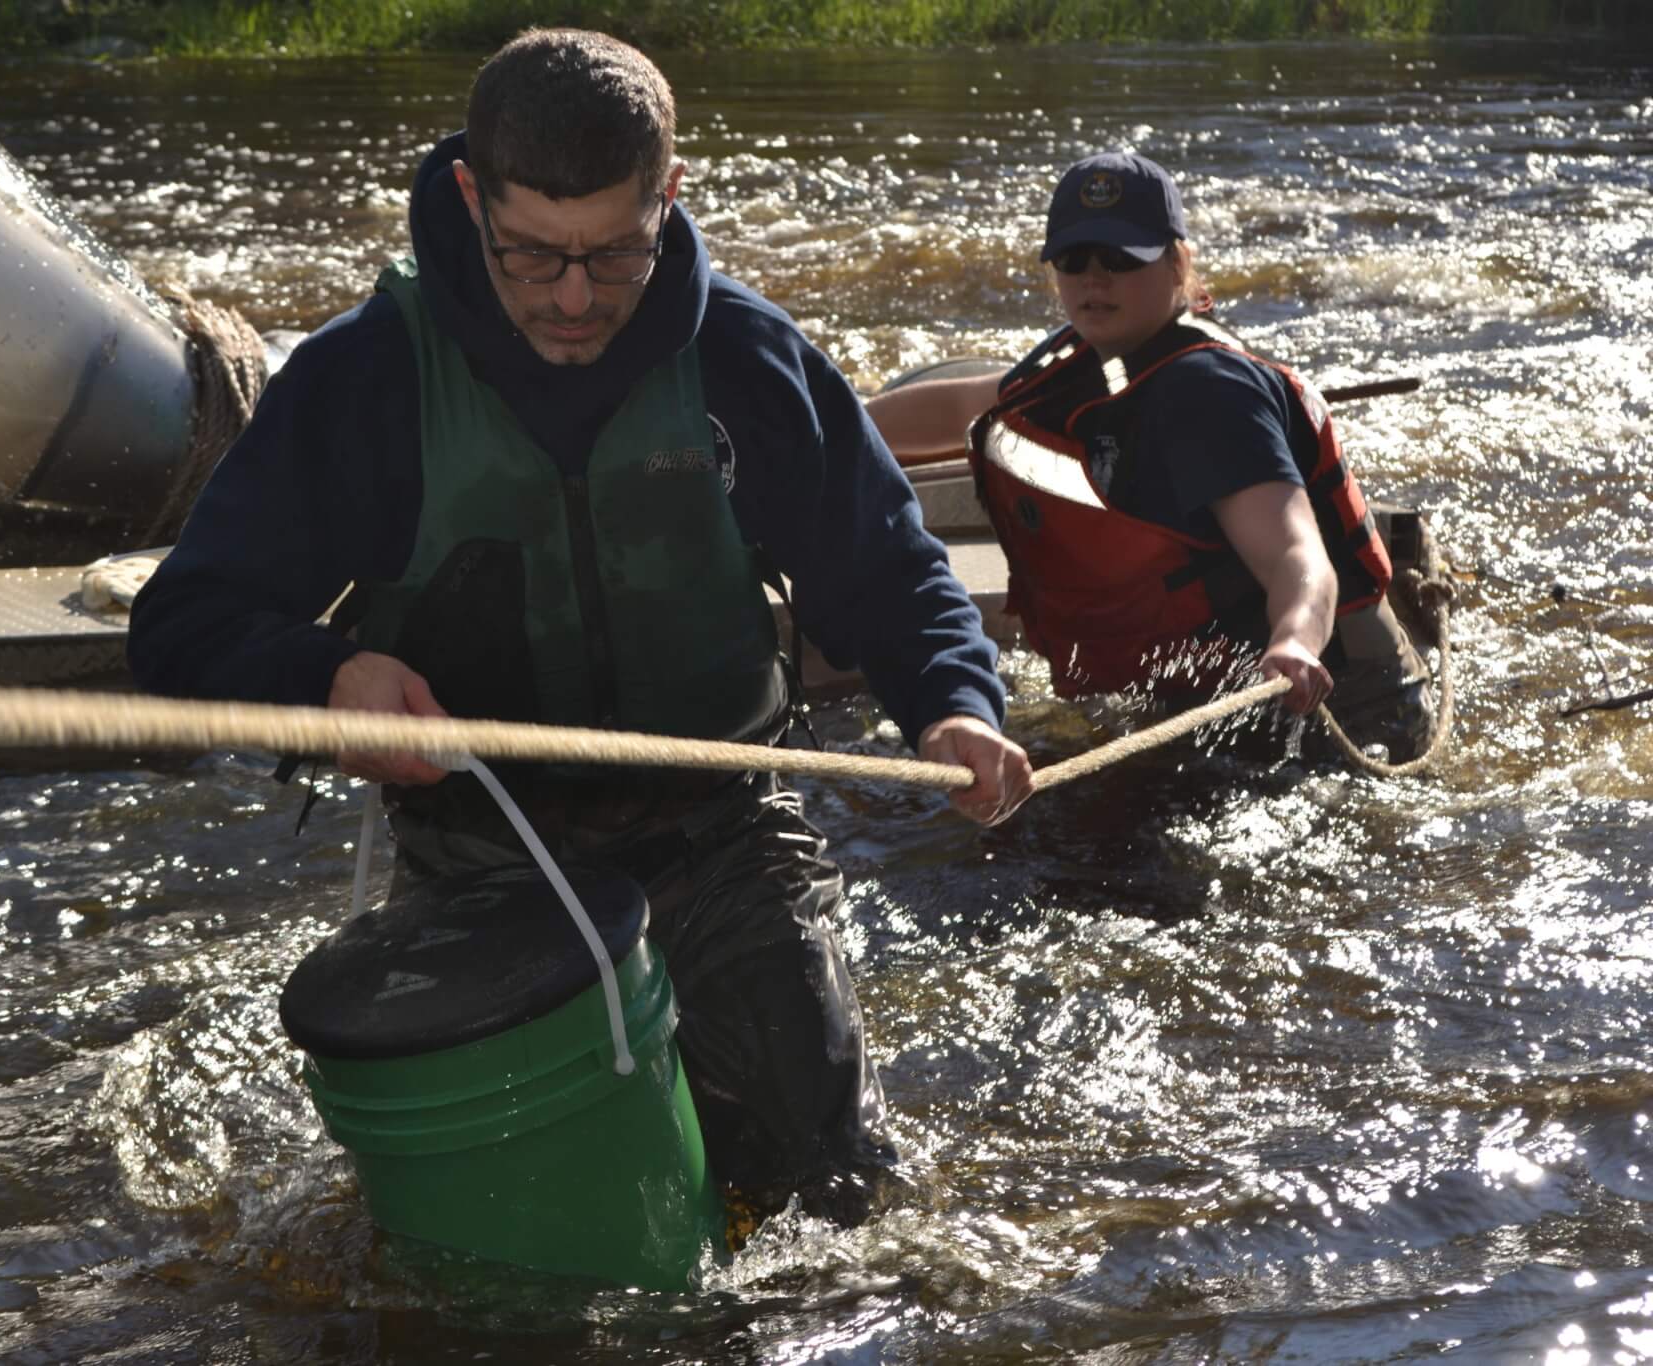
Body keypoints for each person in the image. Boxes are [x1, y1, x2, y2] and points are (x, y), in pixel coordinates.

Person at [127, 29, 1033, 1221]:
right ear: (469, 195)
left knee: (830, 1196)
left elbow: (890, 570)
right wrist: (324, 673)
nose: (569, 297)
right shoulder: (363, 383)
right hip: (480, 855)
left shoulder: (749, 364)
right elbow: (181, 624)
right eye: (529, 254)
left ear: (669, 195)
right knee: (535, 1243)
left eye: (612, 256)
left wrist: (954, 703)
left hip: (723, 831)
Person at [867, 151, 1431, 753]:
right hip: (1197, 695)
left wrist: (1293, 640)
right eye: (1073, 259)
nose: (1093, 278)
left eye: (1119, 259)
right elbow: (958, 410)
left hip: (1333, 703)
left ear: (1176, 264)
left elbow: (1298, 556)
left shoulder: (1214, 394)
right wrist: (820, 426)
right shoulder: (1085, 364)